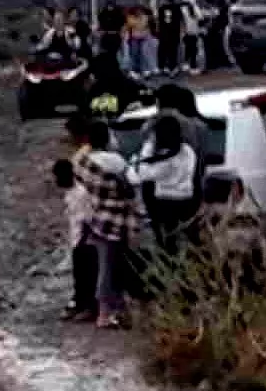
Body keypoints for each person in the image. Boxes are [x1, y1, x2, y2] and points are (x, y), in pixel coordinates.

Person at [76, 121, 139, 330]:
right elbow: (133, 182)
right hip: (115, 220)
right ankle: (104, 313)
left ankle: (111, 309)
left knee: (103, 264)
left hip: (93, 217)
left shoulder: (82, 161)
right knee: (109, 267)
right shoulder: (115, 161)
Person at [129, 113, 199, 258]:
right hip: (187, 202)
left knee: (167, 246)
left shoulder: (165, 160)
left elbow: (144, 174)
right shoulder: (187, 151)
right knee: (187, 244)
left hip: (165, 204)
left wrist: (148, 146)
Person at [54, 159, 96, 323]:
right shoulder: (71, 192)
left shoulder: (80, 193)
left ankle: (88, 308)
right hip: (77, 239)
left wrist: (81, 244)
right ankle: (80, 305)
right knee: (80, 277)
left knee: (85, 277)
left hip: (84, 242)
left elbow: (88, 221)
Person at [203, 0, 232, 72]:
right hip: (217, 30)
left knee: (219, 47)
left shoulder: (223, 10)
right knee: (219, 47)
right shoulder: (223, 9)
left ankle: (216, 63)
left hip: (218, 30)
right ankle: (220, 62)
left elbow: (222, 20)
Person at [156, 0, 183, 76]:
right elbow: (180, 21)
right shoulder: (176, 8)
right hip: (172, 34)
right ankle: (171, 67)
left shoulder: (162, 8)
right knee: (172, 52)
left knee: (166, 52)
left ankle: (166, 67)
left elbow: (159, 21)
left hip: (166, 34)